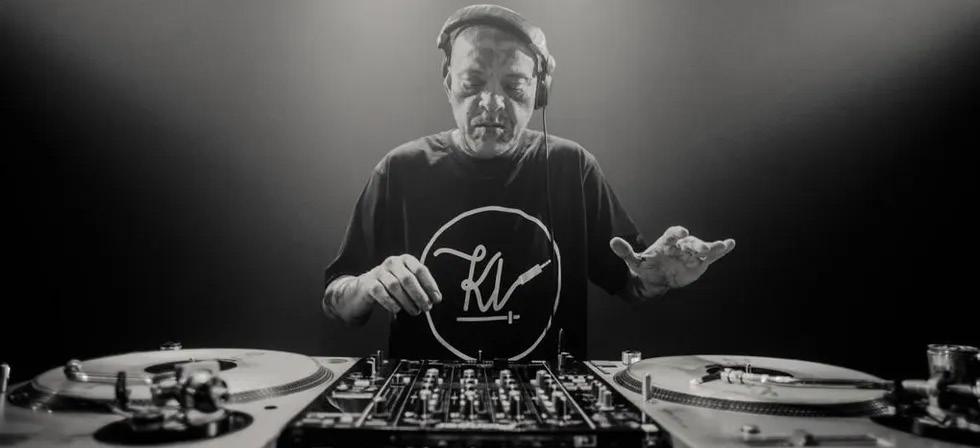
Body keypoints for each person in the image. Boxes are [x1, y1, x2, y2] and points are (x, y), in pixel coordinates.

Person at [321, 4, 735, 361]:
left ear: (539, 92)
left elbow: (632, 282)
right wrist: (367, 284)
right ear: (448, 82)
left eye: (514, 86)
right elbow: (337, 302)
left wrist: (657, 277)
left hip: (549, 405)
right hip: (426, 407)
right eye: (472, 83)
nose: (491, 104)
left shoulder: (573, 168)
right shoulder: (400, 170)